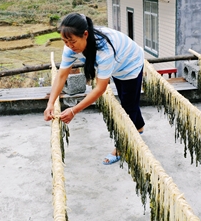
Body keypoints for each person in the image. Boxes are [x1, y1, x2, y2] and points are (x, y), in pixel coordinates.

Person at [43, 12, 145, 165]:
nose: (69, 46)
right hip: (117, 65)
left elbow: (100, 89)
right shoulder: (71, 47)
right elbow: (62, 75)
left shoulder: (104, 51)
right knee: (128, 99)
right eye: (65, 42)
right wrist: (50, 103)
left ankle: (122, 148)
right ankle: (140, 127)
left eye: (72, 41)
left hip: (130, 63)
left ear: (85, 34)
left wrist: (73, 110)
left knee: (128, 106)